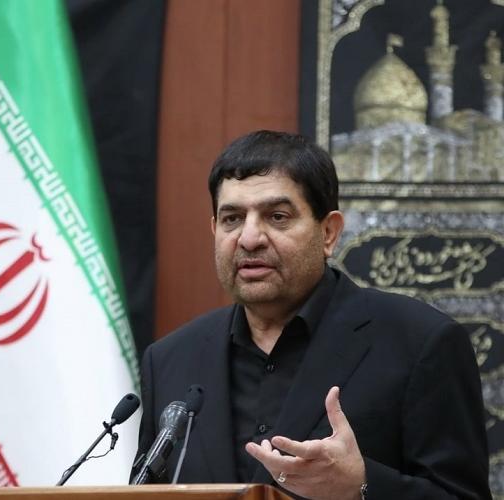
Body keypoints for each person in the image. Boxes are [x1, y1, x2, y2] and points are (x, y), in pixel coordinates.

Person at [134, 130, 491, 499]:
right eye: (232, 218)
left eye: (277, 216)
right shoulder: (170, 360)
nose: (249, 238)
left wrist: (361, 486)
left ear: (328, 233)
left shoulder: (420, 343)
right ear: (214, 229)